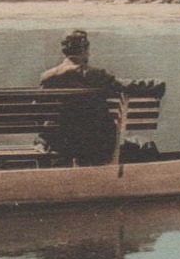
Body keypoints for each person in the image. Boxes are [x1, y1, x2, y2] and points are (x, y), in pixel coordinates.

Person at [38, 30, 123, 165]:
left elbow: (38, 110)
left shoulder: (48, 77)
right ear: (85, 49)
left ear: (65, 50)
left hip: (59, 142)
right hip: (93, 143)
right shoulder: (96, 75)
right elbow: (124, 85)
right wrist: (156, 85)